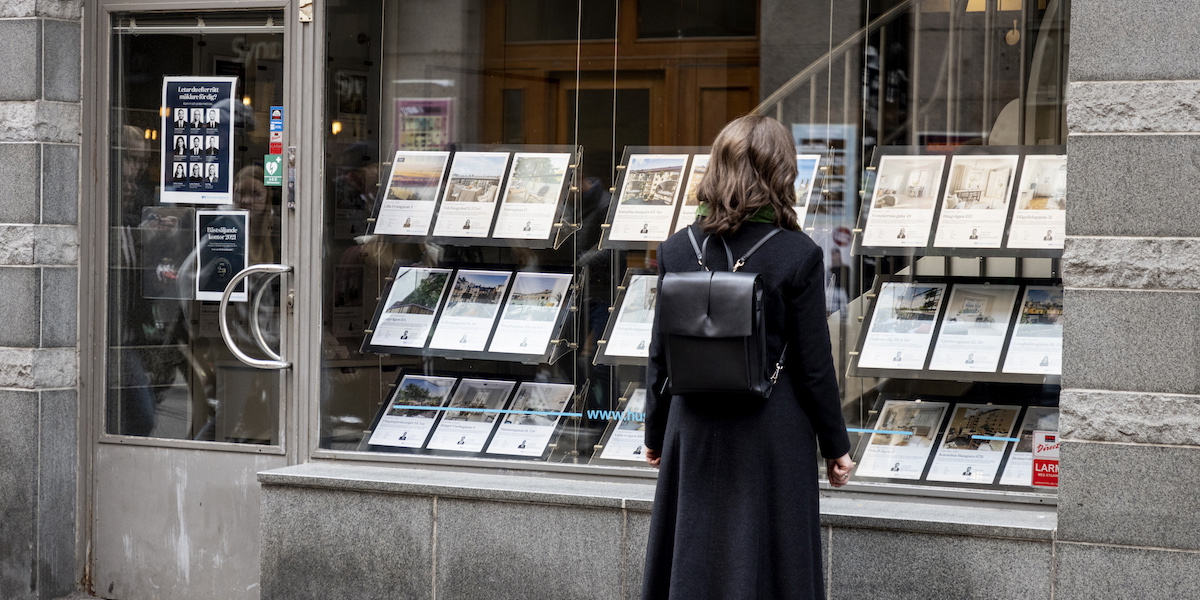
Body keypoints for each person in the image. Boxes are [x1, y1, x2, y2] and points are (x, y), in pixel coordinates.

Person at [641, 115, 852, 600]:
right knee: (772, 566)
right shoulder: (797, 254)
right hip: (770, 434)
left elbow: (660, 356)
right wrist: (835, 446)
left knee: (692, 561)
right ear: (781, 173)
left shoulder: (676, 249)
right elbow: (814, 366)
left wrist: (655, 434)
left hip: (691, 428)